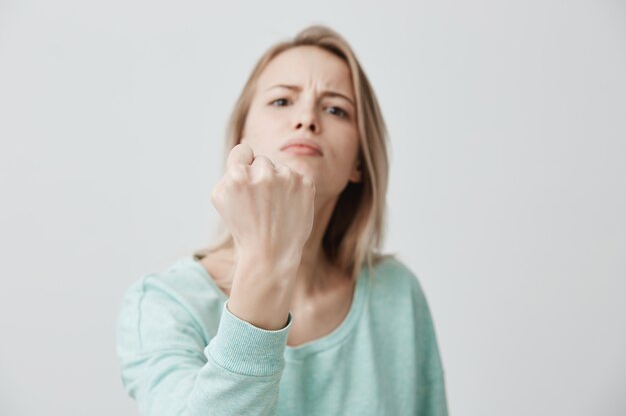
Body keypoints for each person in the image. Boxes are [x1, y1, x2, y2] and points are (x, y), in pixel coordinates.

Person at [116, 25, 448, 416]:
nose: (307, 118)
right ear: (243, 135)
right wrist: (265, 259)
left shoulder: (396, 293)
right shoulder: (165, 305)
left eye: (335, 109)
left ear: (359, 161)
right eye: (281, 101)